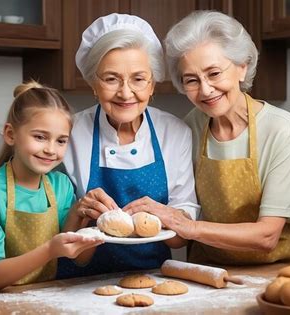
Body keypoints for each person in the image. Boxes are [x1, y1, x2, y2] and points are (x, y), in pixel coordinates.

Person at [127, 11, 290, 268]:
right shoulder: (189, 127)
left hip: (282, 270)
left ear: (242, 67)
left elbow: (267, 236)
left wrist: (190, 227)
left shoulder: (280, 128)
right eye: (191, 80)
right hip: (212, 269)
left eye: (214, 73)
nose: (205, 89)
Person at [60, 13, 199, 277]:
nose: (125, 93)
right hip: (76, 280)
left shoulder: (176, 133)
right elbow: (56, 233)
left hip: (152, 279)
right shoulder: (69, 133)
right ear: (93, 84)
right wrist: (81, 212)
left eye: (138, 79)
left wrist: (163, 215)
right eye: (111, 79)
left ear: (152, 84)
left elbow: (181, 238)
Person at [0, 81, 103, 293]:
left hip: (37, 294)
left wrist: (89, 221)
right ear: (10, 134)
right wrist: (49, 251)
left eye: (61, 141)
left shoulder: (61, 186)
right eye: (40, 137)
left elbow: (78, 258)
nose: (51, 150)